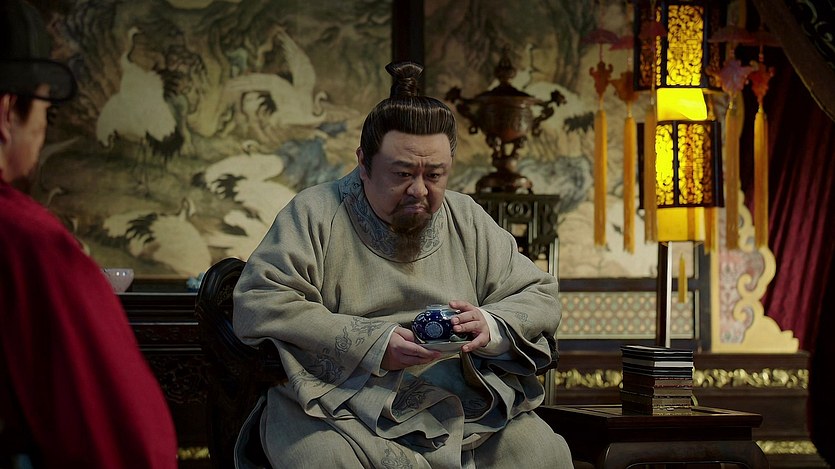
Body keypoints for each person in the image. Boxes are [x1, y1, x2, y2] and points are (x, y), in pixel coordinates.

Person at [233, 61, 572, 468]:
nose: (419, 190)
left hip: (462, 400)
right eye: (402, 173)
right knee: (324, 459)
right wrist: (374, 345)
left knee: (541, 451)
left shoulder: (466, 217)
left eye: (435, 175)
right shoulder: (315, 213)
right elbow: (261, 300)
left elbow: (538, 293)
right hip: (338, 400)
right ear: (363, 163)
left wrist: (490, 324)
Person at [0, 1, 178, 467]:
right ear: (7, 112)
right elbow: (127, 441)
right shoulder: (29, 242)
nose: (42, 130)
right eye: (44, 110)